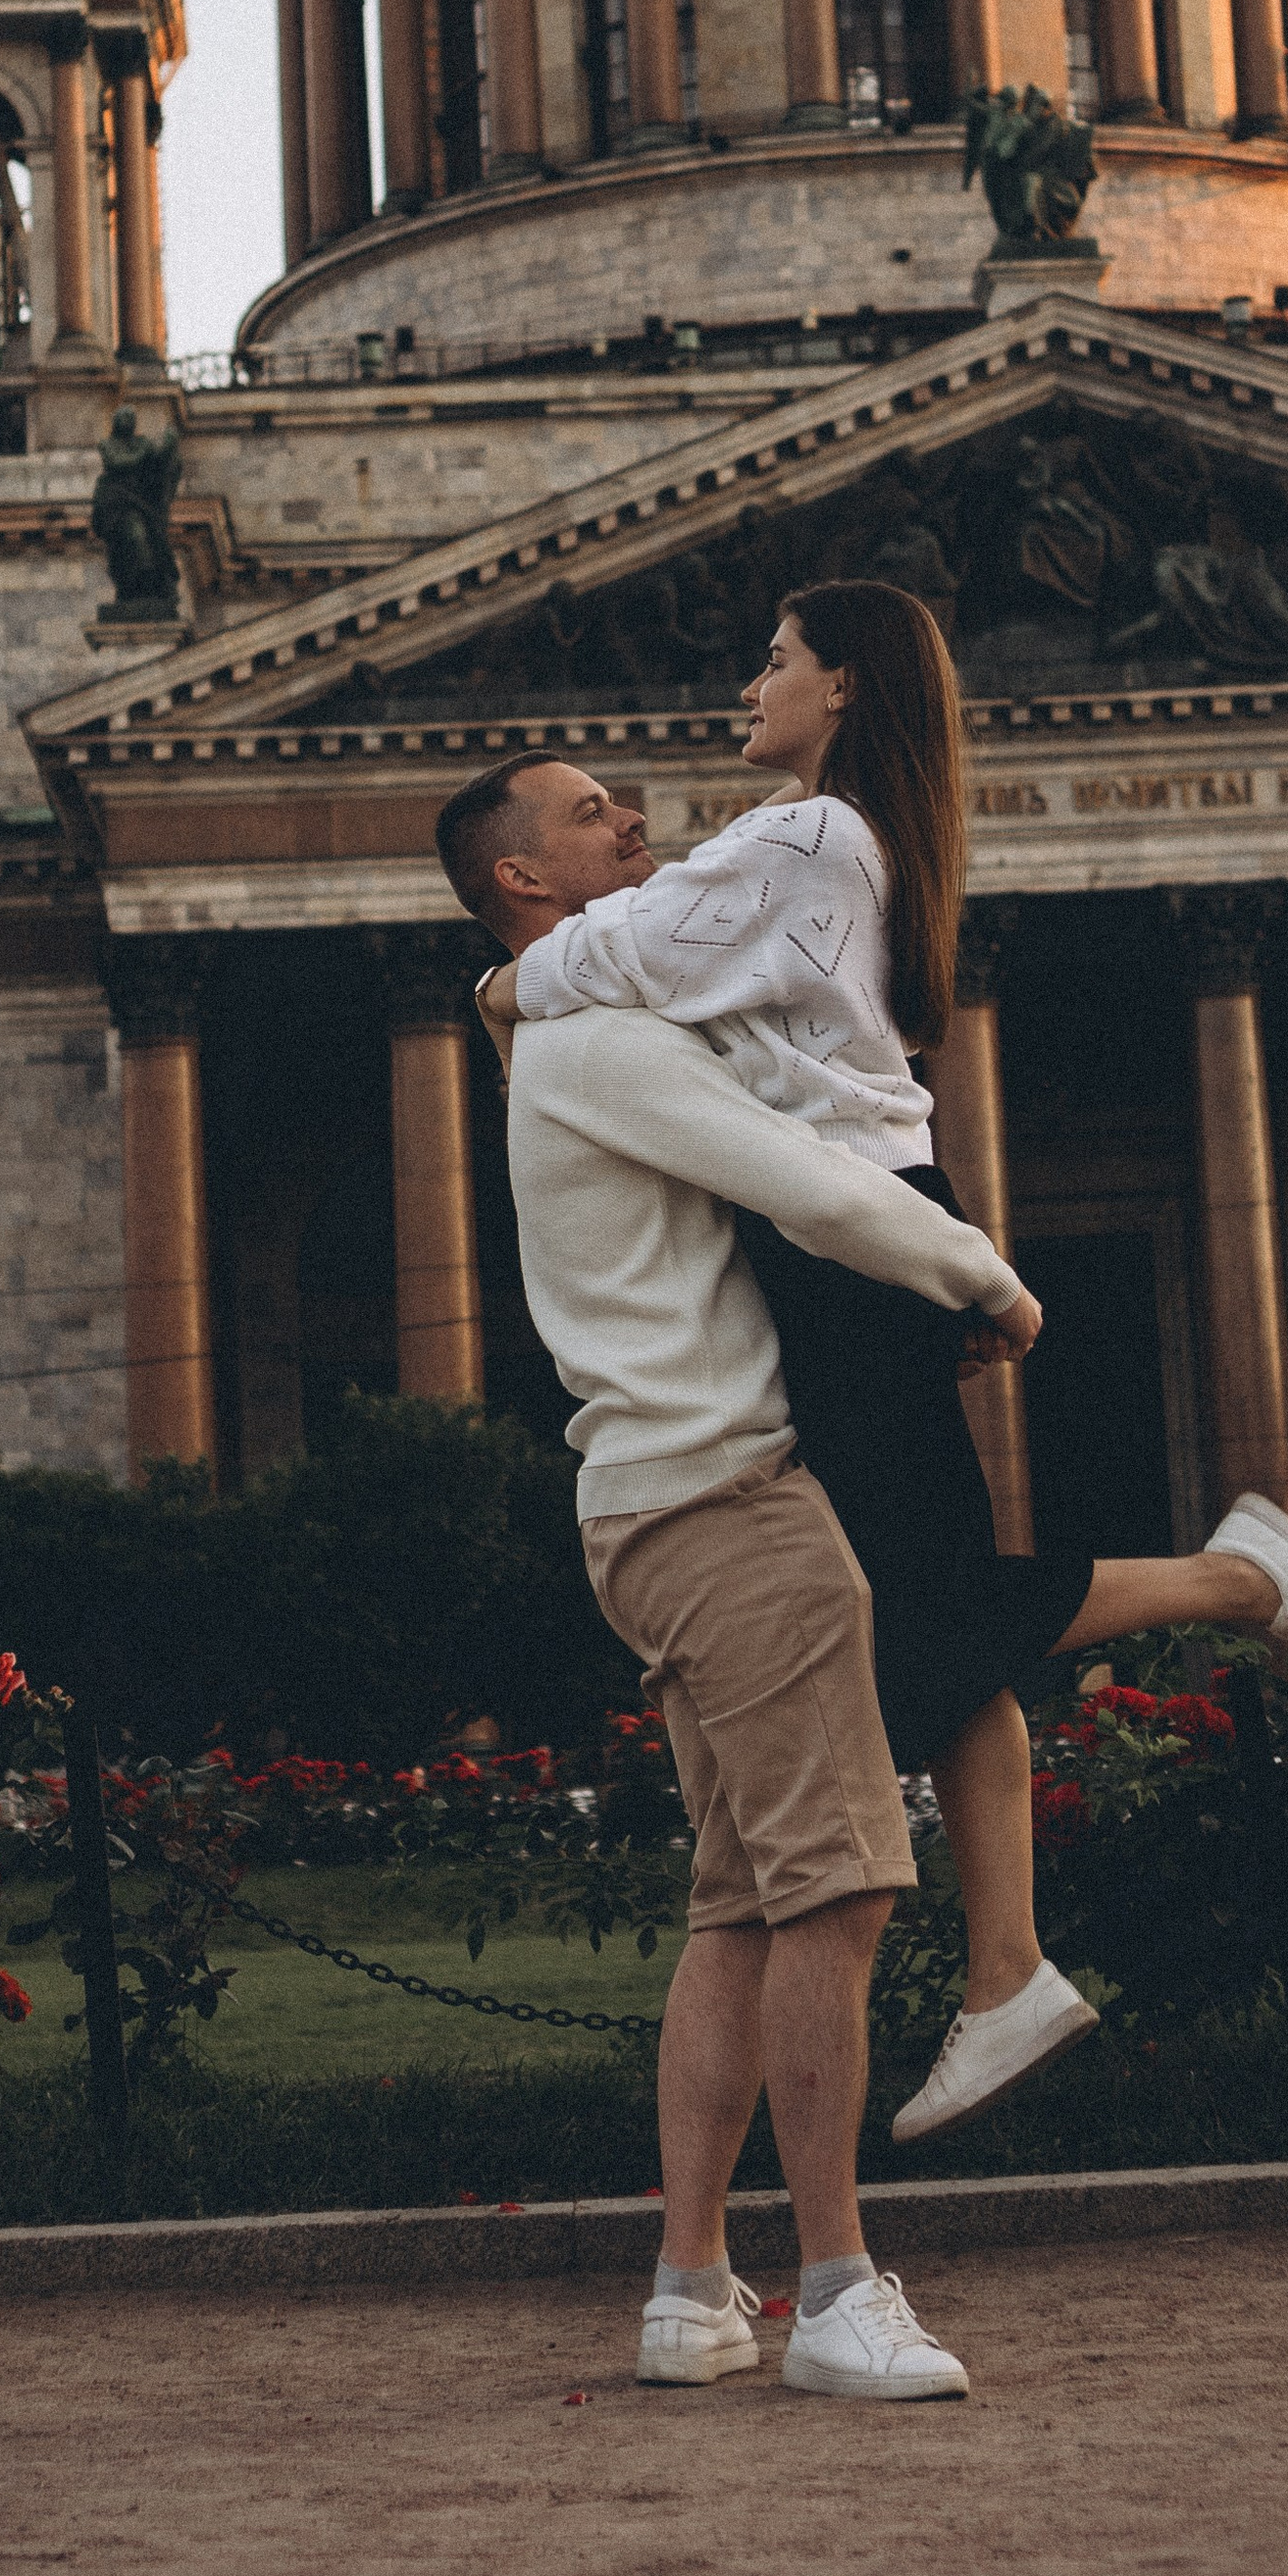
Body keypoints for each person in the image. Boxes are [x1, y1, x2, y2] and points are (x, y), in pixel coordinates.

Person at [483, 583, 1288, 2145]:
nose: (749, 681)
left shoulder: (806, 837)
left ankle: (1239, 1582)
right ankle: (1008, 1975)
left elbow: (615, 953)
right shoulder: (822, 836)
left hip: (861, 1237)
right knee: (931, 1596)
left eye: (773, 656)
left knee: (922, 1605)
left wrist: (502, 985)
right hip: (861, 1232)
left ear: (844, 684)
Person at [437, 749, 1027, 2401]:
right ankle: (837, 2288)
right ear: (523, 885)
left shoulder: (564, 1042)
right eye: (589, 814)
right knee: (841, 1891)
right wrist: (983, 1278)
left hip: (647, 1510)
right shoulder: (602, 1042)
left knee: (745, 1906)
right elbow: (818, 1189)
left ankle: (692, 2289)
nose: (634, 822)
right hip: (735, 1511)